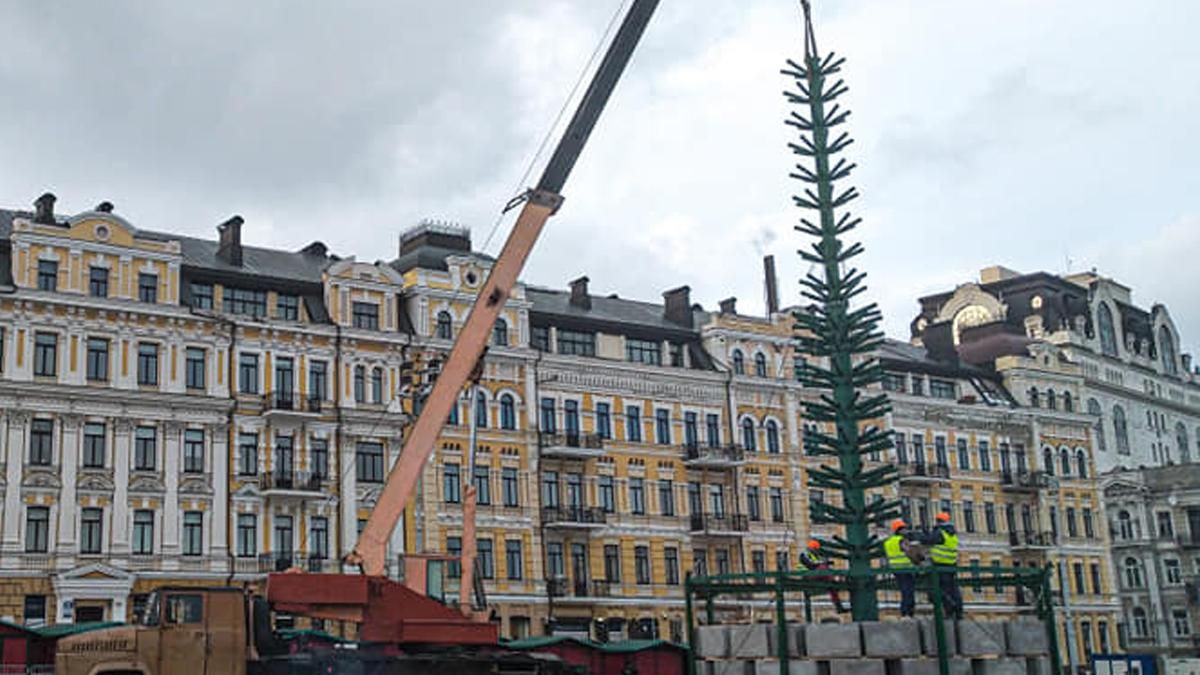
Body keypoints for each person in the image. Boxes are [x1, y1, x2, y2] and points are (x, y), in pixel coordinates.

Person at [926, 512, 963, 619]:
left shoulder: (940, 533)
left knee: (938, 589)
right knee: (953, 589)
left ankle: (950, 608)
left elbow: (928, 539)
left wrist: (920, 534)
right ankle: (958, 611)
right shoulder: (952, 534)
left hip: (940, 565)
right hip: (951, 565)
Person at [798, 539, 847, 612]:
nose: (817, 551)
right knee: (824, 568)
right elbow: (810, 565)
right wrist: (823, 563)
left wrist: (825, 564)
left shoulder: (817, 556)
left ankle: (838, 606)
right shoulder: (804, 555)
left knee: (832, 588)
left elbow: (817, 565)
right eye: (816, 549)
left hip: (818, 577)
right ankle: (833, 580)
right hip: (808, 577)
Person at [884, 519, 919, 618]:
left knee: (904, 591)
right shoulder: (902, 541)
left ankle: (905, 612)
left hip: (895, 569)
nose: (906, 531)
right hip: (906, 569)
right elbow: (911, 553)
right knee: (908, 591)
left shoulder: (888, 542)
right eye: (904, 529)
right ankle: (908, 612)